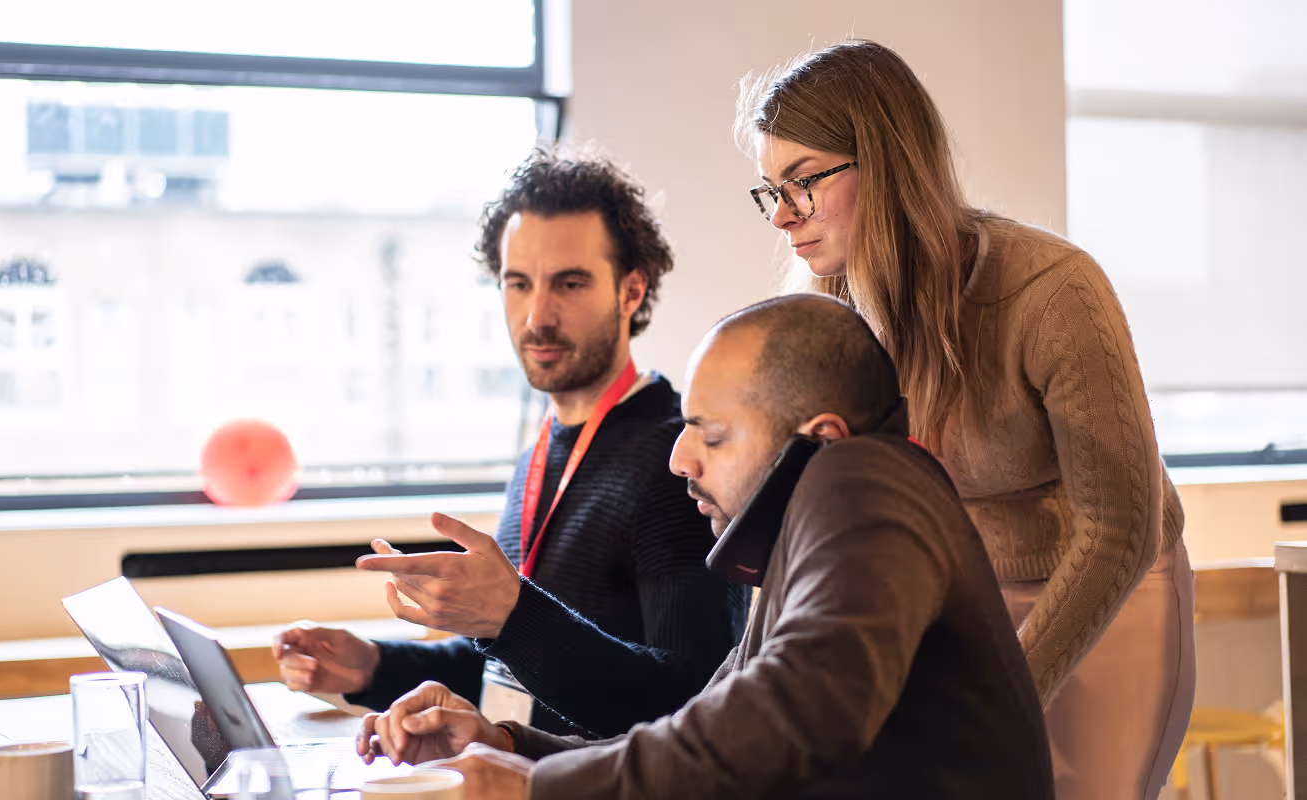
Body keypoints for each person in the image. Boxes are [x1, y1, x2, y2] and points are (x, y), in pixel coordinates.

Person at [354, 295, 1056, 800]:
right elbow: (696, 723)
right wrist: (509, 746)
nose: (679, 459)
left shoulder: (865, 478)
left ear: (823, 437)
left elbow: (798, 714)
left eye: (712, 435)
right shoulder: (809, 534)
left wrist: (539, 788)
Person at [734, 40, 1193, 799]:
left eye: (803, 183)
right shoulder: (832, 314)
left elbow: (1118, 528)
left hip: (1111, 593)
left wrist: (998, 699)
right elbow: (812, 523)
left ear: (884, 160)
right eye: (768, 191)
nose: (782, 217)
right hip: (967, 606)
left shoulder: (1051, 292)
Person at [273, 150, 748, 738]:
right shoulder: (539, 454)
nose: (536, 317)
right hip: (513, 765)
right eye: (518, 284)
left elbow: (689, 699)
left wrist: (512, 615)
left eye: (569, 283)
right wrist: (371, 664)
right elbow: (511, 668)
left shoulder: (676, 461)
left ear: (631, 292)